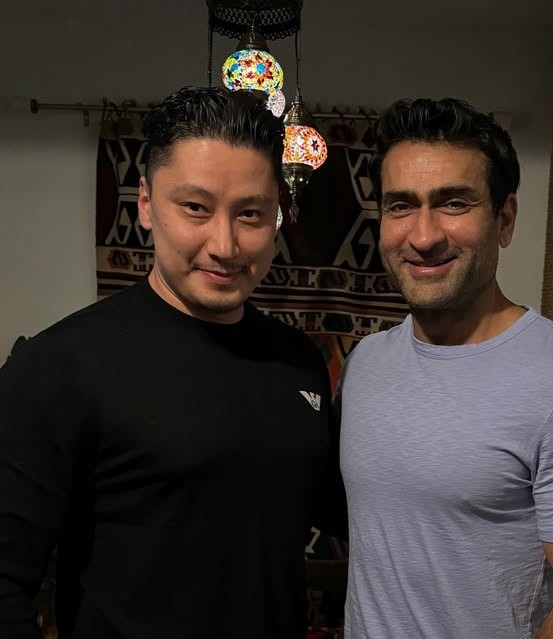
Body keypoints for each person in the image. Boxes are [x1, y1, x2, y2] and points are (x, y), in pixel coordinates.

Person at [0, 86, 336, 639]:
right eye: (196, 208)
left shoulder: (299, 362)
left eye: (251, 214)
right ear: (146, 205)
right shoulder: (59, 365)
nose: (225, 245)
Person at [337, 97, 553, 638]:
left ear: (505, 219)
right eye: (401, 205)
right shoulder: (365, 363)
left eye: (453, 203)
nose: (424, 236)